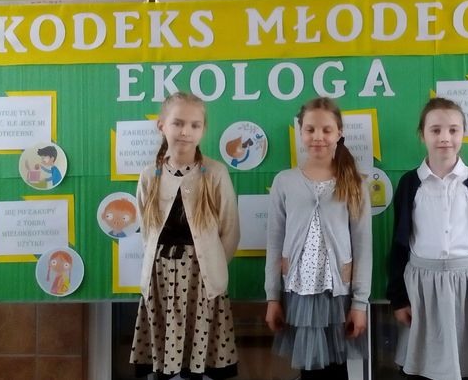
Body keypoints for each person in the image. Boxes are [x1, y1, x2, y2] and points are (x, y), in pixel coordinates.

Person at [387, 97, 468, 380]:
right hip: (422, 288)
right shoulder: (409, 184)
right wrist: (399, 300)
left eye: (453, 130)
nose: (445, 138)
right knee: (422, 367)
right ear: (422, 134)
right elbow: (399, 245)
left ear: (463, 133)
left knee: (467, 367)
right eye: (435, 130)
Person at [130, 92, 240, 380]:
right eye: (177, 123)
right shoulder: (149, 175)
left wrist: (212, 266)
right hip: (160, 279)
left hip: (202, 279)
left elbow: (230, 230)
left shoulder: (215, 173)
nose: (185, 132)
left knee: (199, 364)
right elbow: (147, 231)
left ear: (203, 129)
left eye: (194, 125)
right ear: (162, 126)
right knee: (164, 365)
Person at [264, 97, 372, 380]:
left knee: (337, 371)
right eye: (310, 129)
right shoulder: (284, 181)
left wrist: (360, 303)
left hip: (337, 295)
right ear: (300, 132)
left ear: (339, 133)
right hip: (298, 295)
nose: (318, 137)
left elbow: (363, 246)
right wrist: (272, 297)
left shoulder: (354, 182)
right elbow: (274, 242)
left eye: (326, 130)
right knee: (309, 371)